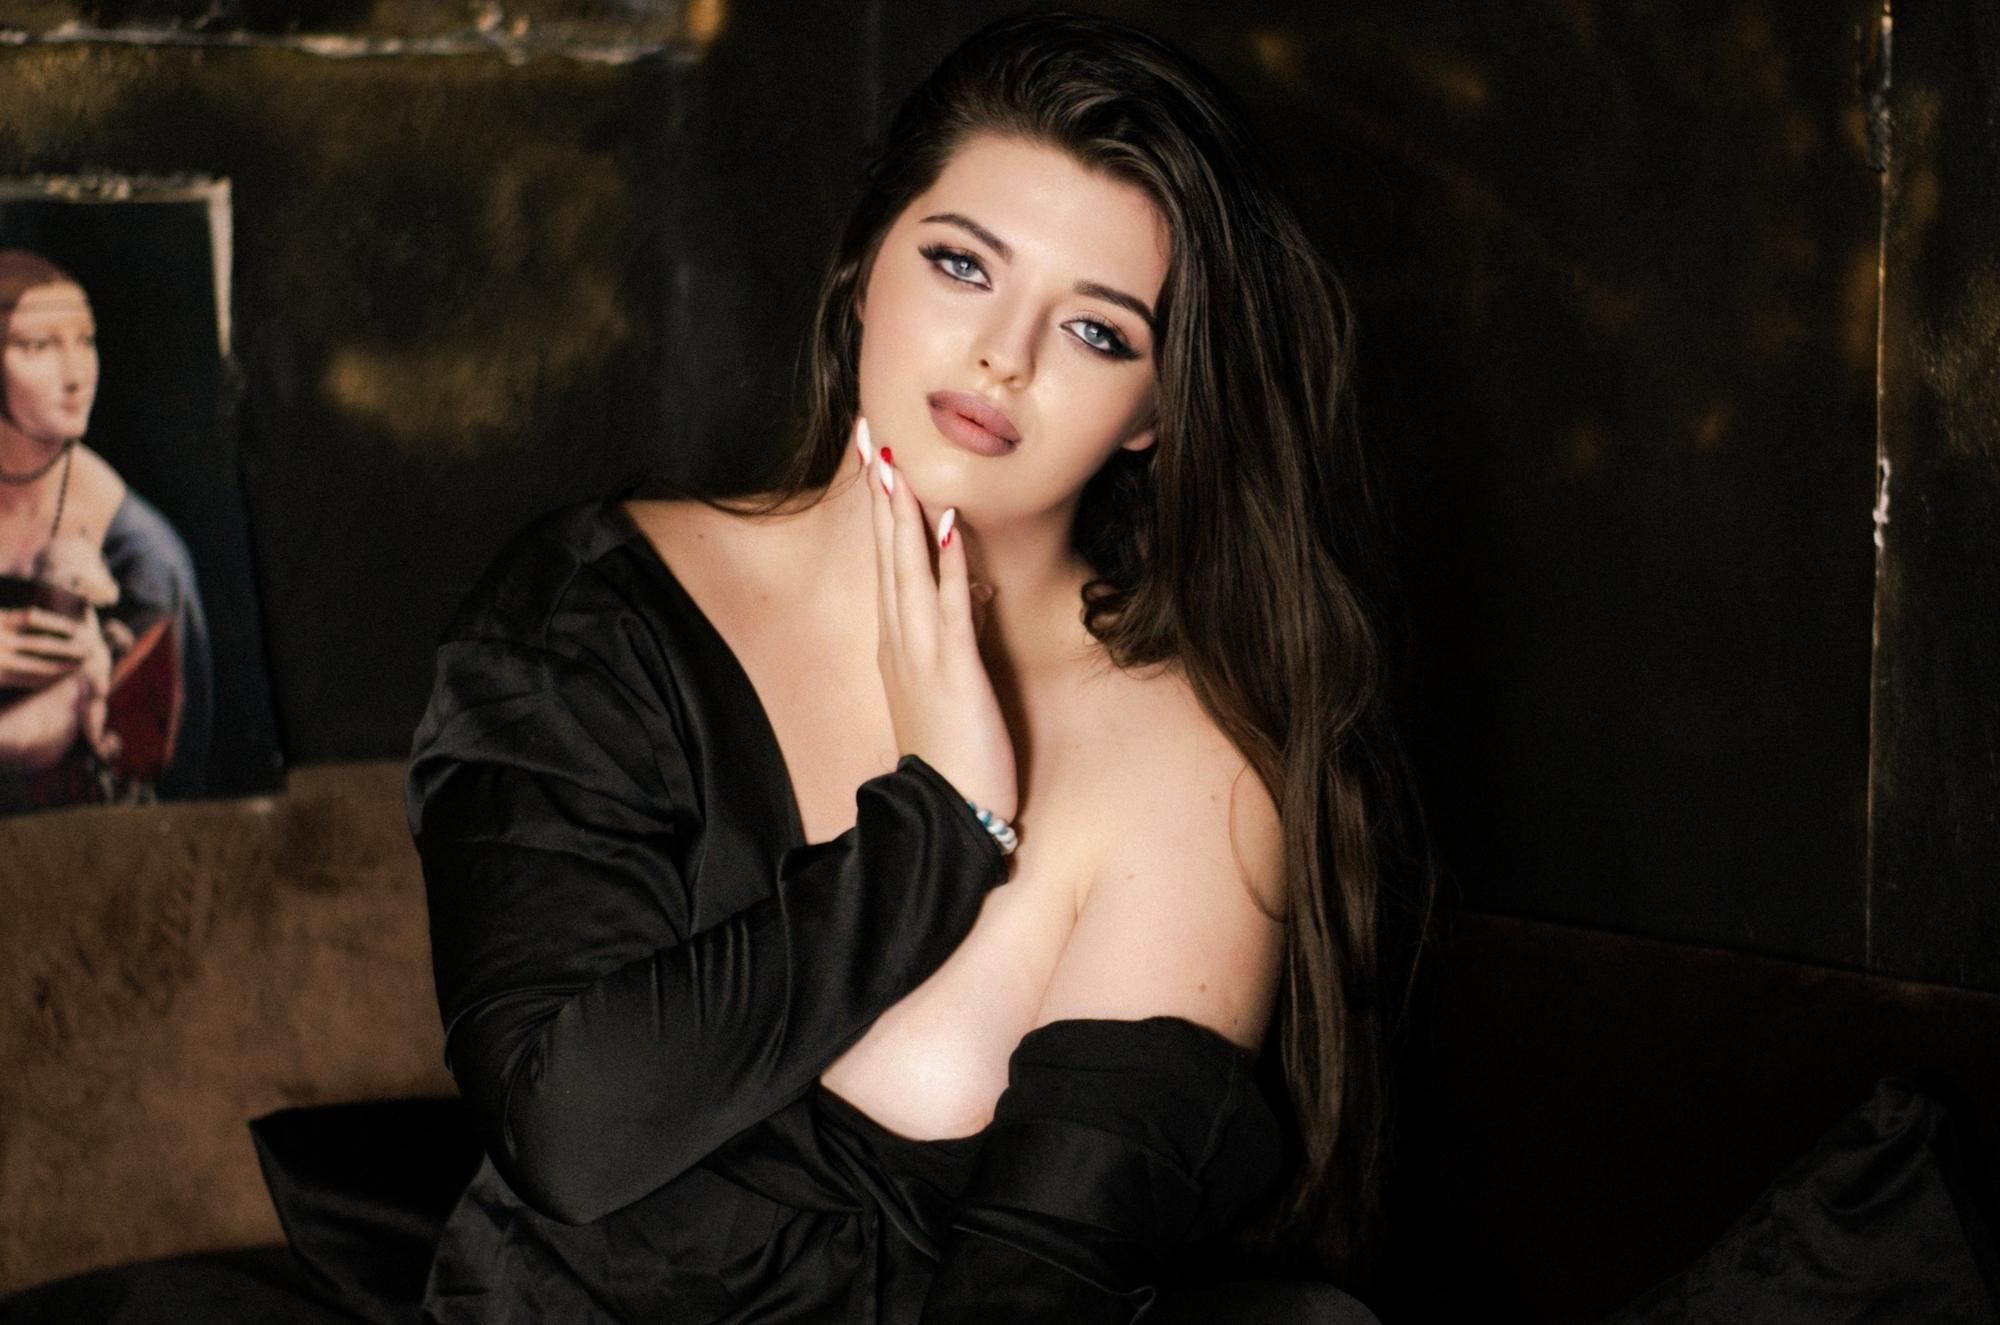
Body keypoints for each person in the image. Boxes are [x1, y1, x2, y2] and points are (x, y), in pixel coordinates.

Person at [401, 12, 1432, 1323]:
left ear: (1157, 411)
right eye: (961, 263)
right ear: (864, 268)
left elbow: (1038, 1285)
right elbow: (569, 1129)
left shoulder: (1190, 764)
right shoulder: (594, 611)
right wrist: (941, 826)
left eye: (1098, 331)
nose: (1005, 354)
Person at [0, 250, 213, 812]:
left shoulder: (143, 560)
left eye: (86, 342)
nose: (76, 376)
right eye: (39, 346)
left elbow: (153, 771)